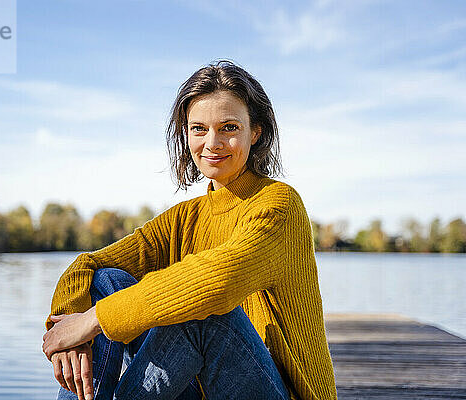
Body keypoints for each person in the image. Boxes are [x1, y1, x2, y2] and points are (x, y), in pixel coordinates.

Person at [42, 59, 338, 400]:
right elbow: (88, 265)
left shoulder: (279, 205)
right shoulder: (184, 219)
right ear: (186, 133)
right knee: (108, 281)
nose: (212, 142)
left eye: (229, 127)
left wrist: (94, 319)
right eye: (199, 128)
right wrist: (70, 328)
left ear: (255, 132)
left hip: (279, 392)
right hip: (200, 388)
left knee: (202, 310)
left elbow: (218, 281)